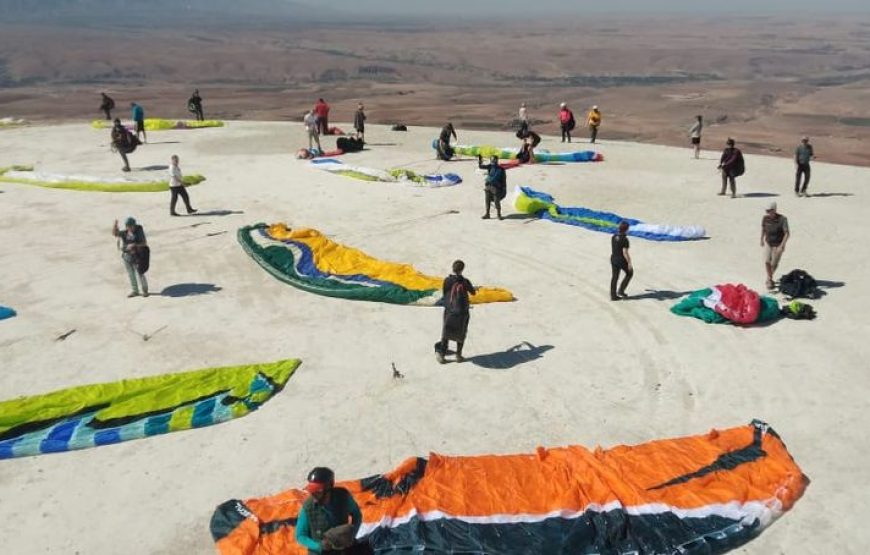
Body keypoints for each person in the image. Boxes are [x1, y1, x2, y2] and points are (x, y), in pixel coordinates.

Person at [295, 467, 364, 555]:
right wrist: (319, 546)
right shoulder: (308, 507)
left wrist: (352, 534)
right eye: (312, 492)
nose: (314, 496)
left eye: (318, 492)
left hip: (343, 549)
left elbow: (357, 515)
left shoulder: (343, 497)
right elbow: (300, 536)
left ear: (329, 487)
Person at [436, 260, 477, 364]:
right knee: (461, 331)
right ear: (462, 269)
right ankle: (458, 355)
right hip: (463, 312)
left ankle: (442, 355)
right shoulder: (465, 281)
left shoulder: (447, 280)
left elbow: (445, 293)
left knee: (446, 330)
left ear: (453, 268)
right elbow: (473, 293)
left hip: (450, 310)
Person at [112, 217, 149, 298]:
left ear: (134, 225)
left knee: (140, 273)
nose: (129, 228)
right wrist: (115, 226)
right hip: (126, 256)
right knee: (131, 274)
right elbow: (115, 234)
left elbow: (144, 243)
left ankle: (145, 290)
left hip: (136, 256)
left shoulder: (139, 232)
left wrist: (134, 245)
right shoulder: (125, 232)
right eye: (128, 226)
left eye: (131, 226)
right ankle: (135, 291)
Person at [761, 202, 789, 290]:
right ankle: (769, 279)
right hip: (768, 242)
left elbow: (787, 233)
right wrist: (761, 239)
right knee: (767, 261)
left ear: (774, 210)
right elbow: (763, 229)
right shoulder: (765, 218)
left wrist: (782, 245)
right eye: (767, 211)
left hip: (778, 244)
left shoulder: (782, 219)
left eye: (769, 211)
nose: (768, 213)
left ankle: (769, 278)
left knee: (774, 263)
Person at [610, 221, 633, 301]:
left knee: (615, 277)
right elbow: (625, 252)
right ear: (626, 229)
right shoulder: (625, 239)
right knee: (630, 273)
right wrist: (629, 263)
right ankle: (621, 291)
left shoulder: (613, 236)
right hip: (621, 259)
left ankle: (613, 295)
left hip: (613, 258)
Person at [478, 154, 507, 219]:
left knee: (496, 201)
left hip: (496, 187)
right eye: (491, 160)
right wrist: (480, 161)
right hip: (488, 186)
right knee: (487, 200)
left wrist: (504, 189)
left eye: (494, 160)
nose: (492, 161)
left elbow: (504, 180)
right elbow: (481, 167)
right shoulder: (490, 166)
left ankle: (499, 214)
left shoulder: (501, 169)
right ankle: (487, 214)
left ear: (497, 160)